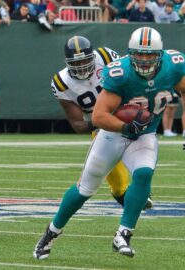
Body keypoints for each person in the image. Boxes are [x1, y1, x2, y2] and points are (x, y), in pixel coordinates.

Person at [34, 27, 185, 259]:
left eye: (150, 54)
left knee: (143, 174)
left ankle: (123, 234)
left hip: (144, 134)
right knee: (85, 189)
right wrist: (125, 126)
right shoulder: (120, 72)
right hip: (113, 133)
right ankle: (50, 233)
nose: (144, 59)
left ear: (160, 54)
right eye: (139, 54)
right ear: (130, 53)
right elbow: (99, 116)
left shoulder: (174, 64)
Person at [51, 35, 153, 208]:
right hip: (99, 126)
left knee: (142, 151)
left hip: (123, 111)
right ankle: (122, 194)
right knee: (116, 178)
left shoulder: (106, 56)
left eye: (85, 61)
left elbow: (129, 77)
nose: (81, 67)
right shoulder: (61, 83)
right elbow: (77, 125)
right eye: (75, 63)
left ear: (93, 57)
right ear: (67, 62)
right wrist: (100, 121)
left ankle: (140, 189)